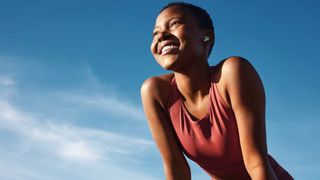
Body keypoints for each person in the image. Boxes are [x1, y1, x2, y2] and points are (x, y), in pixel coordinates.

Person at [141, 2, 293, 180]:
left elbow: (256, 162)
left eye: (174, 24)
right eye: (155, 33)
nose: (162, 36)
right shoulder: (155, 92)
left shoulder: (233, 73)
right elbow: (176, 170)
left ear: (206, 37)